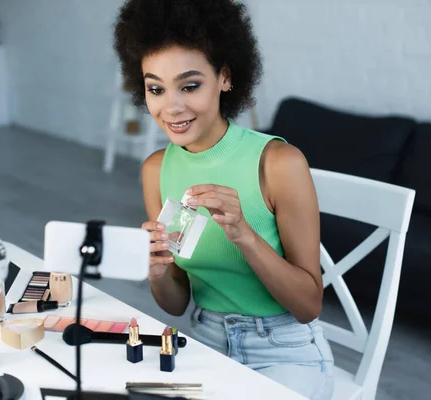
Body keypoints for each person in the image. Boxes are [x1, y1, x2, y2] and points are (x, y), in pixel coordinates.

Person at [113, 1, 334, 398]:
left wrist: (244, 234)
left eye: (190, 85)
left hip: (284, 351)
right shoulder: (155, 170)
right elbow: (176, 303)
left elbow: (308, 306)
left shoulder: (279, 163)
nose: (171, 107)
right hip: (204, 342)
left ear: (225, 77)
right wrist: (157, 270)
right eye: (156, 89)